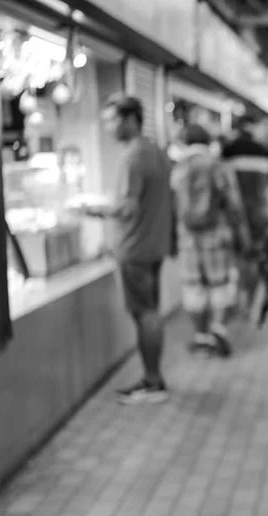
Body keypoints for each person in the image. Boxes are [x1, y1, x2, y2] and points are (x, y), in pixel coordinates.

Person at [87, 95, 173, 405]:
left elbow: (127, 207)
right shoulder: (156, 153)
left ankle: (152, 382)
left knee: (146, 314)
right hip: (153, 245)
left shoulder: (133, 156)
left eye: (111, 120)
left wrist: (95, 209)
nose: (107, 127)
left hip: (135, 249)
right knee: (150, 312)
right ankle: (154, 379)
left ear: (128, 119)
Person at [170, 124, 251, 356]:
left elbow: (172, 207)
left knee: (194, 287)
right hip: (217, 236)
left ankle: (201, 335)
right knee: (220, 285)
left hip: (187, 239)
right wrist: (242, 235)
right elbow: (234, 205)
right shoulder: (219, 166)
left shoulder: (178, 169)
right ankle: (218, 329)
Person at [220, 115, 268, 314]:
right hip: (260, 214)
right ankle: (252, 299)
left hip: (234, 215)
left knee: (239, 257)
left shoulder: (227, 151)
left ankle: (242, 298)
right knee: (257, 257)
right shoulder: (265, 152)